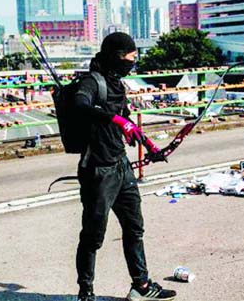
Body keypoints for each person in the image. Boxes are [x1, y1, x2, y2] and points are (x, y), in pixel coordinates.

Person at [73, 32, 177, 301]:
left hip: (121, 165)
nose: (133, 62)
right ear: (117, 56)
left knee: (134, 227)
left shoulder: (117, 84)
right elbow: (80, 105)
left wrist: (149, 144)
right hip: (98, 169)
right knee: (94, 235)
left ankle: (140, 286)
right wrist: (117, 121)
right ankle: (86, 292)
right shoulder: (92, 82)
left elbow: (127, 119)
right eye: (131, 57)